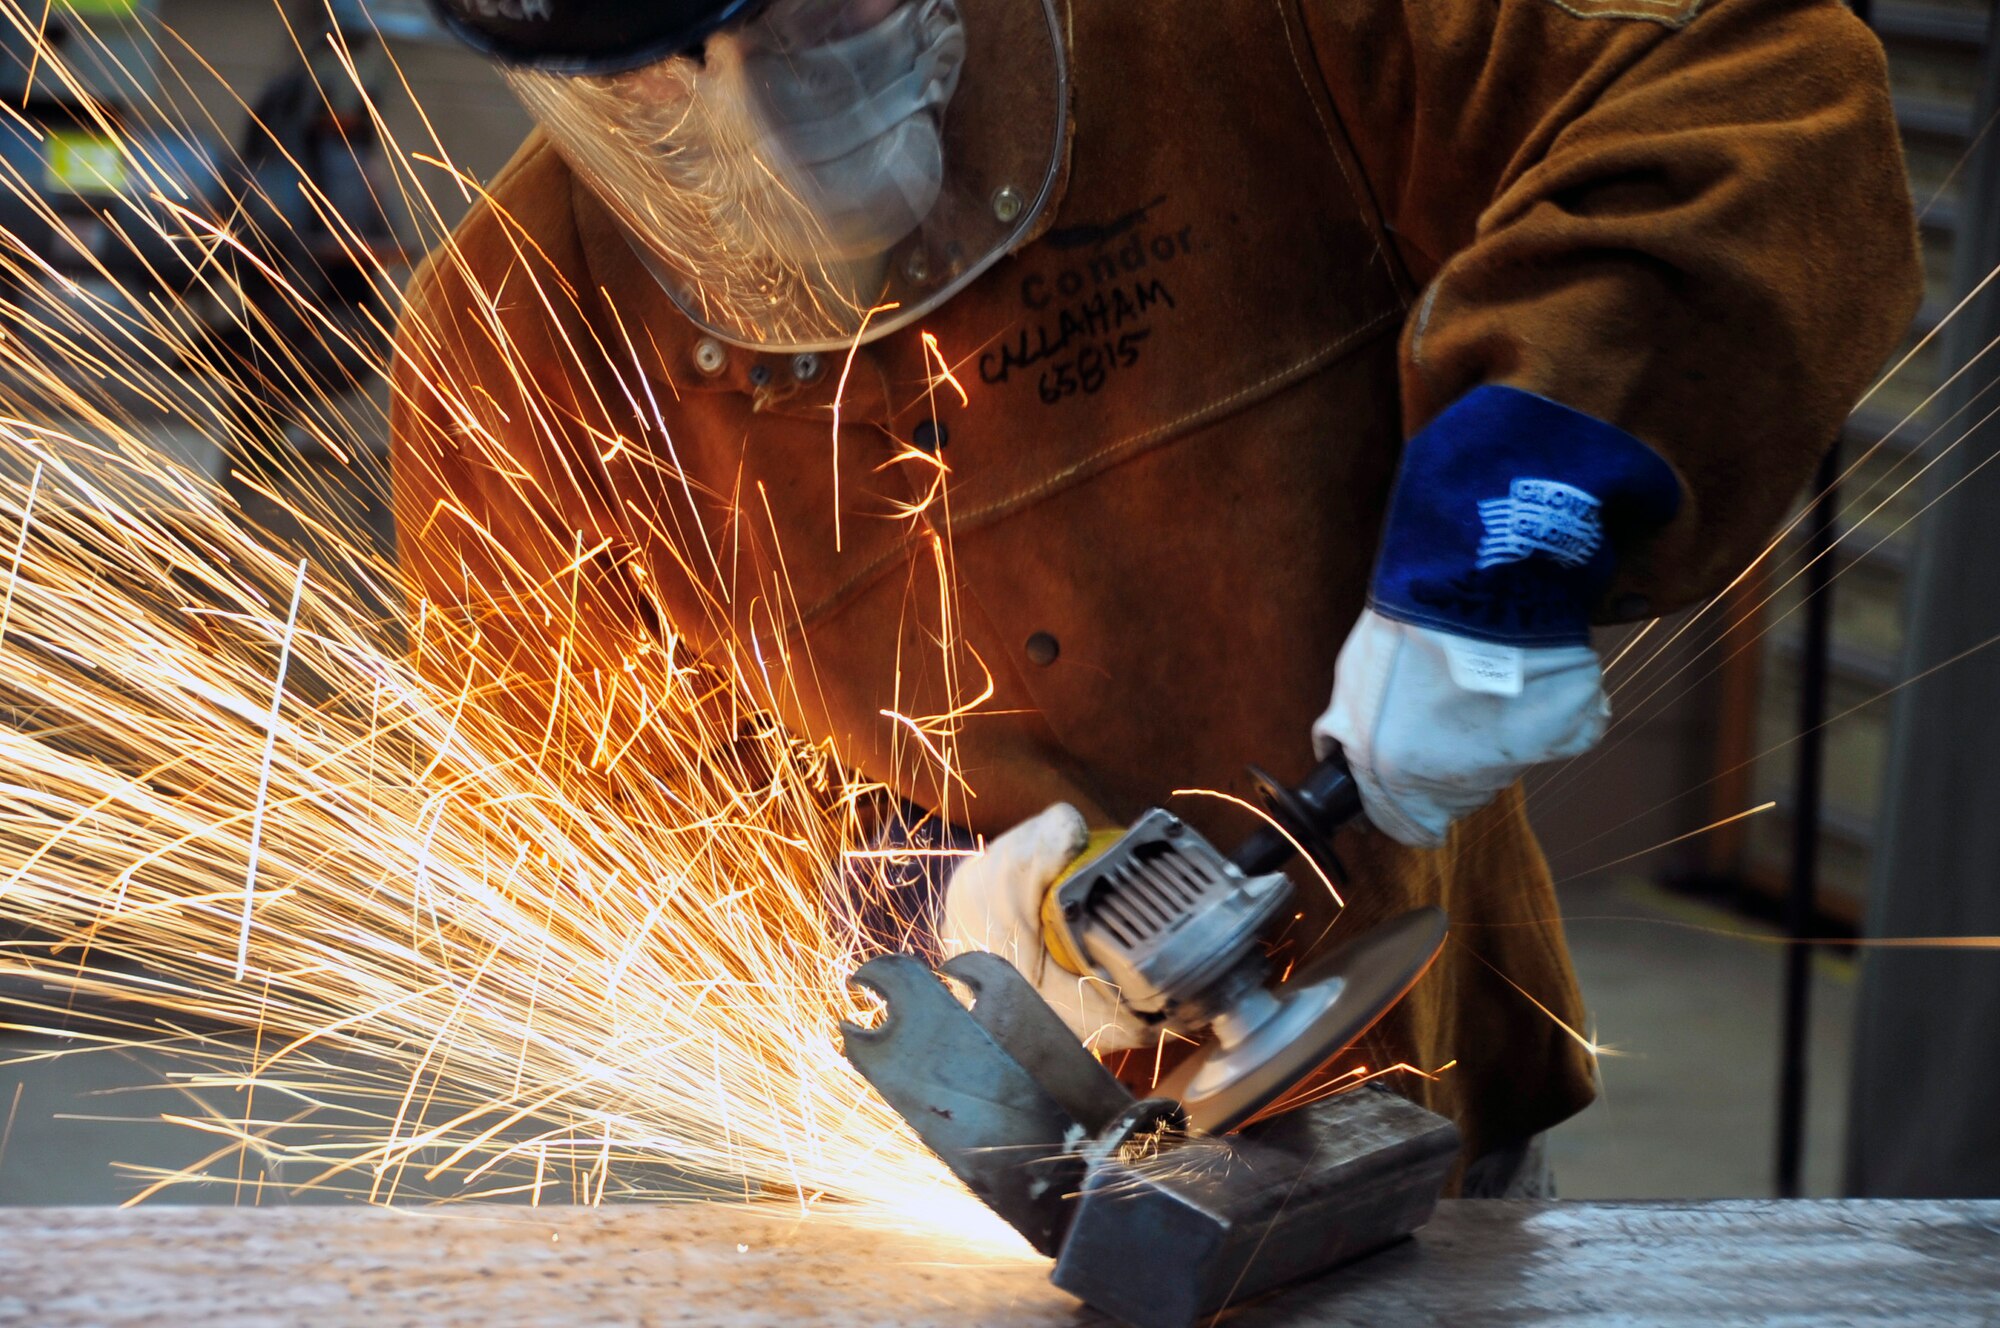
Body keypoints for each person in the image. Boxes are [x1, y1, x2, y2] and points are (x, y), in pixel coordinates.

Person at [397, 0, 1920, 1191]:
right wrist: (932, 908)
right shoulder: (514, 334)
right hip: (946, 1198)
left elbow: (1752, 87)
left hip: (1422, 1098)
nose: (753, 114)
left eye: (800, 14)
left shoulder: (1248, 34)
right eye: (646, 77)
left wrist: (1518, 518)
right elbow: (584, 831)